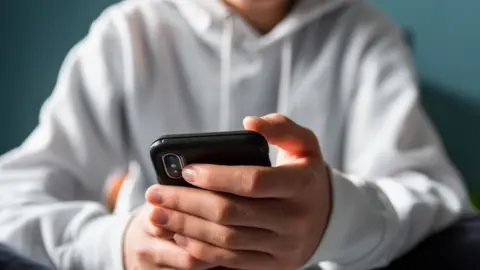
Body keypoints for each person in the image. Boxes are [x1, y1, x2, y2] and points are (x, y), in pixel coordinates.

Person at [0, 0, 477, 269]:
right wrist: (117, 244)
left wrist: (334, 218)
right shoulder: (128, 34)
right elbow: (13, 194)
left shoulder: (366, 35)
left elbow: (432, 194)